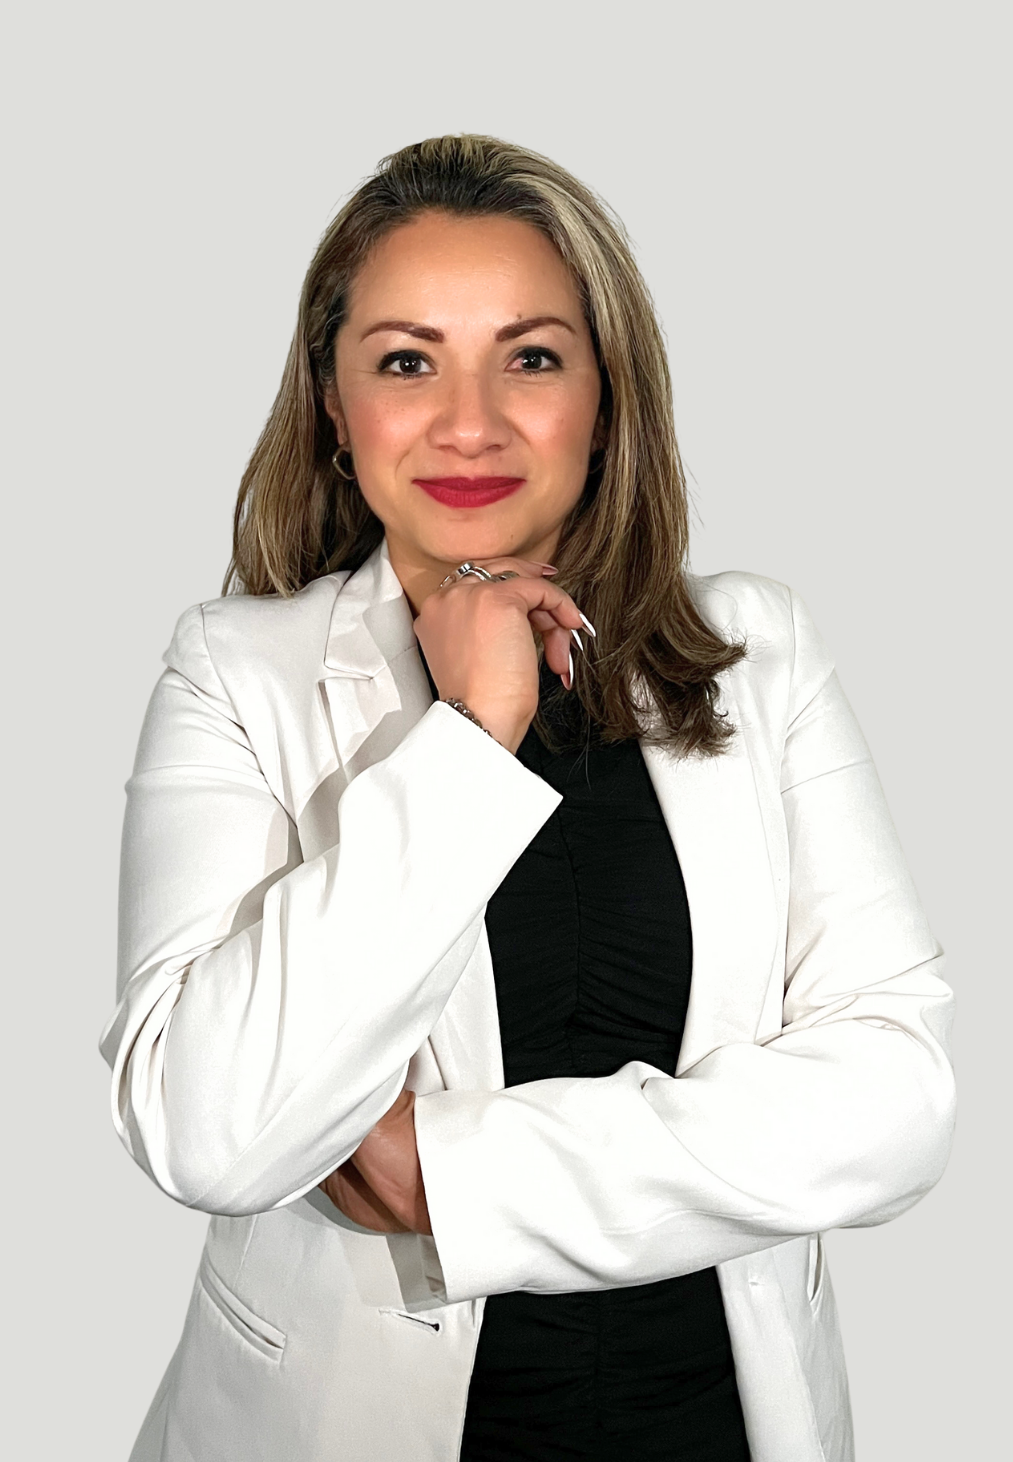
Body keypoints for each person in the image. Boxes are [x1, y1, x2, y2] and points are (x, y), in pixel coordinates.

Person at [100, 134, 955, 1462]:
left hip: (722, 1426)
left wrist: (454, 1175)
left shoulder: (762, 651)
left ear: (608, 394)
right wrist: (470, 740)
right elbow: (213, 1136)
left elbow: (900, 1105)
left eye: (533, 357)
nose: (469, 422)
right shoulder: (236, 673)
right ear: (333, 404)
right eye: (405, 361)